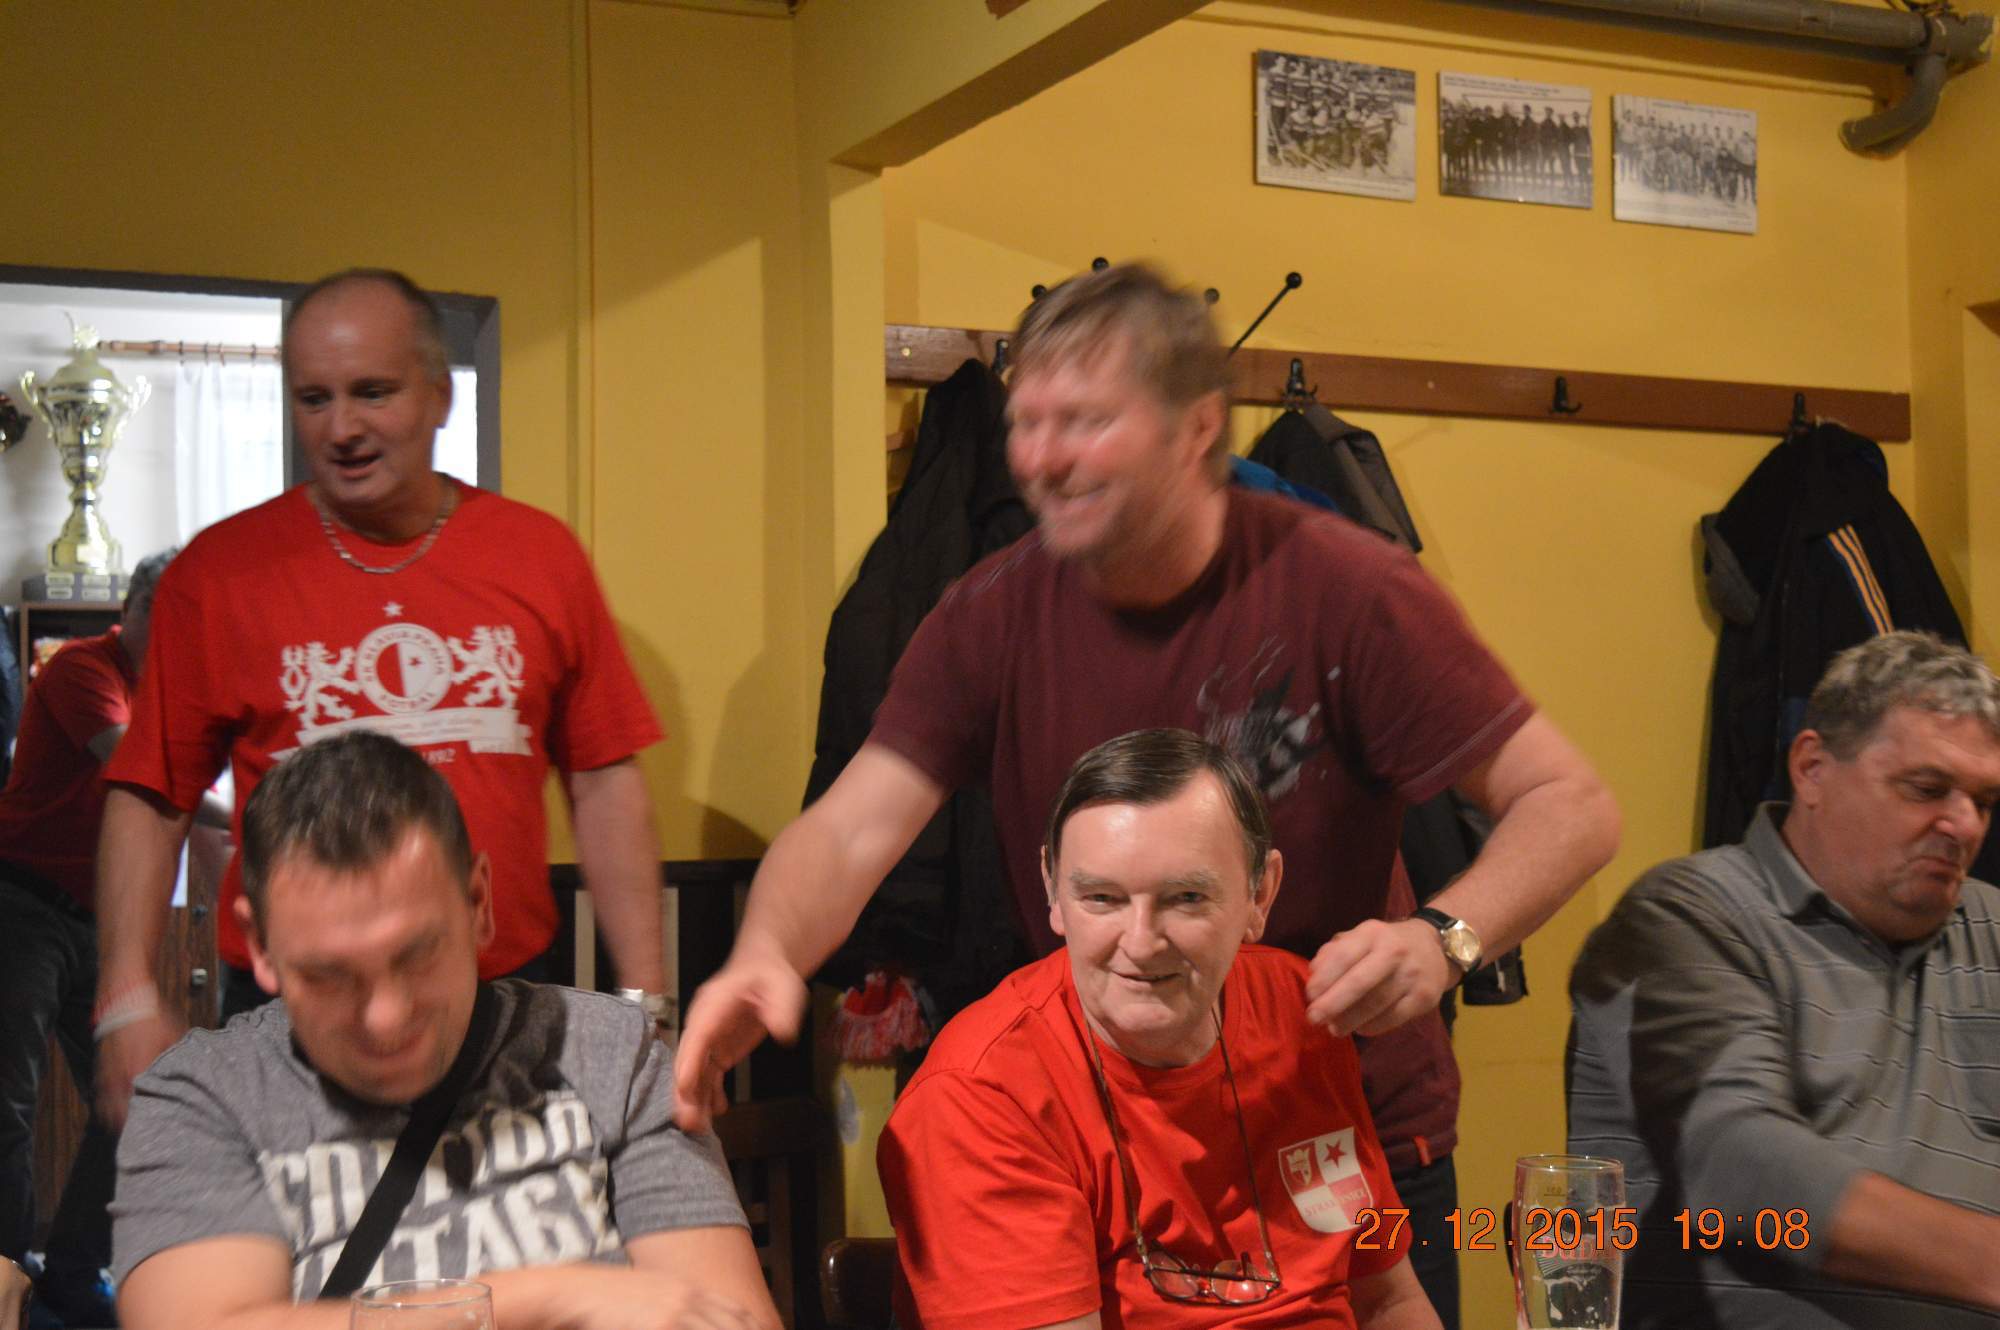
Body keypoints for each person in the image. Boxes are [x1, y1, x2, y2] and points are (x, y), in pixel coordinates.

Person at [678, 262, 1620, 1328]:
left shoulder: (1347, 588)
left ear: (1195, 427)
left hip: (1330, 1112)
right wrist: (766, 951)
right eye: (1025, 423)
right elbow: (853, 829)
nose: (1039, 457)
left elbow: (1570, 805)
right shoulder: (990, 610)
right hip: (1105, 1130)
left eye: (1083, 422)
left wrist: (1443, 939)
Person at [93, 267, 670, 1133]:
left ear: (439, 396)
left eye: (373, 392)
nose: (343, 429)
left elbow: (604, 781)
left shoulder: (538, 556)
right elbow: (151, 794)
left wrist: (647, 1001)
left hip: (505, 1007)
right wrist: (126, 997)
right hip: (294, 1018)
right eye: (314, 399)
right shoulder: (218, 576)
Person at [111, 731, 776, 1330]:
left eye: (417, 954)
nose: (386, 1017)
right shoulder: (202, 1096)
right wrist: (559, 1295)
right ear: (259, 945)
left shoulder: (612, 1054)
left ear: (479, 903)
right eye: (331, 976)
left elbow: (728, 1317)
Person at [879, 729, 1439, 1329]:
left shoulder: (1300, 1008)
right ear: (1052, 889)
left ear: (1260, 895)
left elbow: (1388, 1299)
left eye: (1186, 897)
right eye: (1102, 898)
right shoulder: (981, 1094)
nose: (1141, 944)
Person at [1567, 630, 2000, 1328]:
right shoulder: (1685, 919)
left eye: (1984, 801)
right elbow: (1742, 1170)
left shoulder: (1991, 927)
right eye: (1927, 789)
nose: (1964, 825)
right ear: (1812, 768)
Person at [0, 550, 218, 1326]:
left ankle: (73, 1265)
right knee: (10, 1098)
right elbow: (134, 768)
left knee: (136, 1086)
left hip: (96, 917)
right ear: (137, 612)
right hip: (23, 904)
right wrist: (252, 810)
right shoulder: (80, 669)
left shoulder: (174, 693)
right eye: (173, 619)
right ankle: (7, 1270)